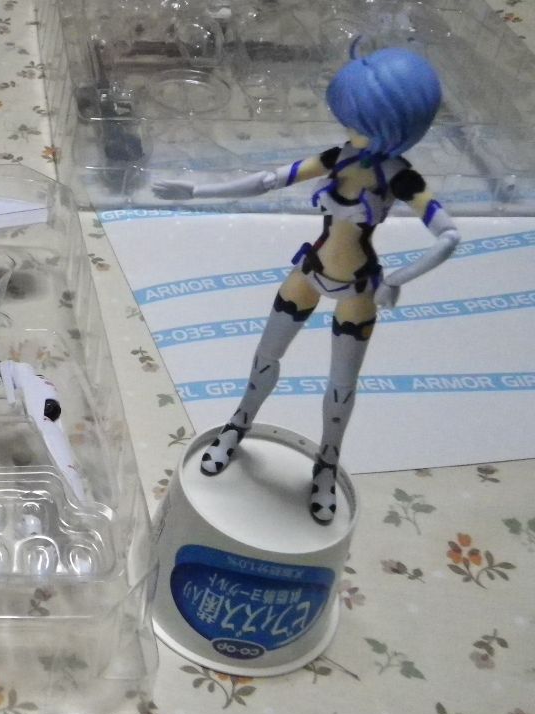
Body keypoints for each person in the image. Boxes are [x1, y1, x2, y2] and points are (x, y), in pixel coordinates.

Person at [153, 44, 459, 524]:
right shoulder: (338, 157)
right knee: (265, 357)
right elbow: (268, 180)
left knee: (340, 386)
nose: (348, 126)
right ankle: (237, 426)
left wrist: (398, 279)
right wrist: (196, 191)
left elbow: (448, 235)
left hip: (359, 287)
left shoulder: (400, 178)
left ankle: (326, 465)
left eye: (357, 119)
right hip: (310, 270)